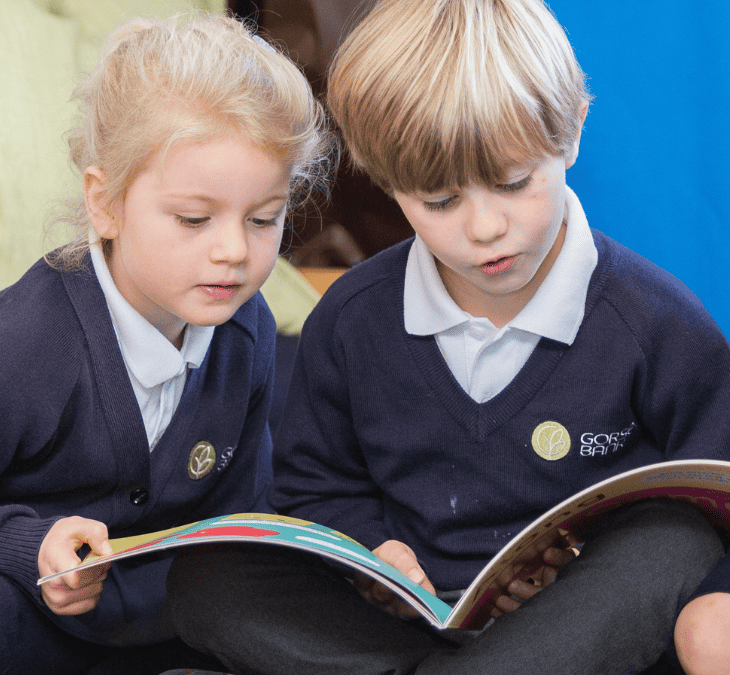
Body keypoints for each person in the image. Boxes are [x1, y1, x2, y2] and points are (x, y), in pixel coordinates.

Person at [165, 1, 730, 673]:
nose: (486, 227)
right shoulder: (351, 319)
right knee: (206, 578)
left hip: (574, 622)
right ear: (384, 179)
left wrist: (584, 559)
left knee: (674, 544)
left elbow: (710, 507)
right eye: (440, 201)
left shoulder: (656, 321)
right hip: (403, 623)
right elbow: (315, 491)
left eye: (514, 183)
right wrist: (377, 554)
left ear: (572, 131)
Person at [0, 13, 332, 675]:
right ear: (104, 204)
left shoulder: (246, 332)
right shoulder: (25, 345)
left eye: (263, 219)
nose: (233, 251)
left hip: (121, 629)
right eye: (194, 219)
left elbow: (237, 520)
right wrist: (27, 544)